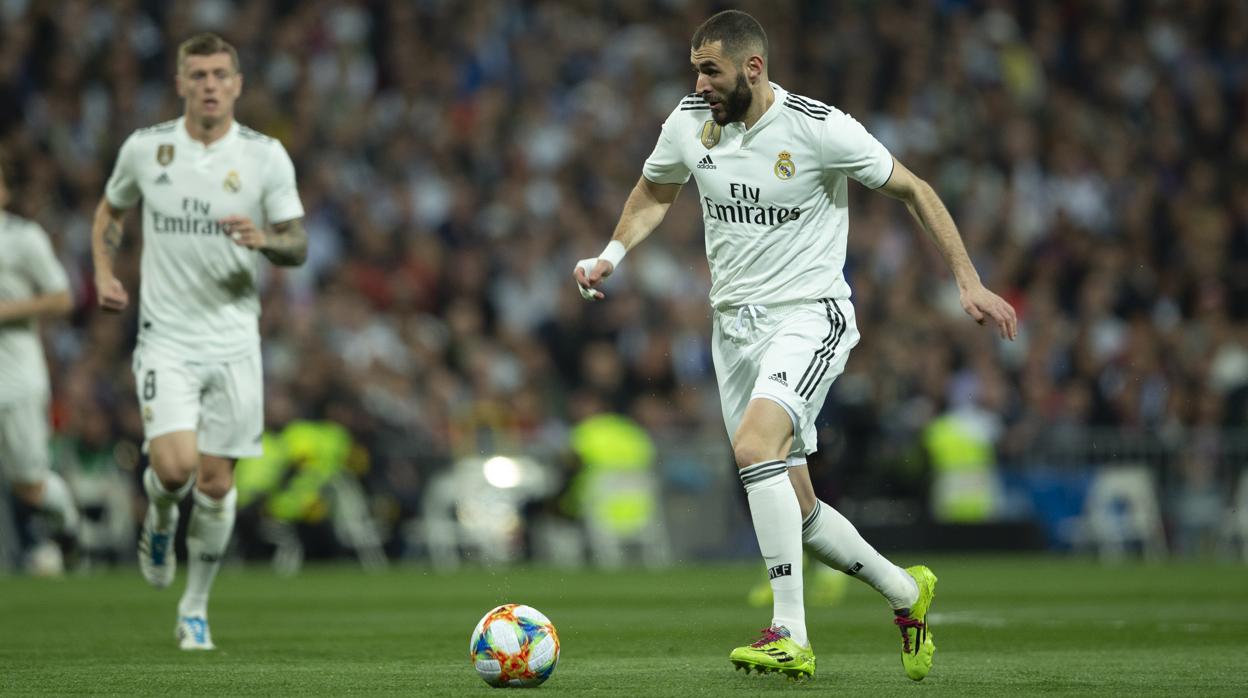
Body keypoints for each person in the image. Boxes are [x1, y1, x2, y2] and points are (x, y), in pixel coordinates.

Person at [574, 10, 1017, 682]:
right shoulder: (688, 122)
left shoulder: (818, 128)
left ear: (753, 68)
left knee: (755, 448)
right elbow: (653, 192)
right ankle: (906, 592)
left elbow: (914, 189)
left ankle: (789, 633)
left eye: (710, 71)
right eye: (695, 70)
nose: (699, 84)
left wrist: (968, 278)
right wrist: (611, 254)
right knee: (798, 507)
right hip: (734, 330)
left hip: (809, 317)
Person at [92, 33, 307, 650]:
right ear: (181, 83)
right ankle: (160, 519)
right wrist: (104, 273)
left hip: (235, 341)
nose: (209, 85)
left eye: (219, 74)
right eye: (199, 74)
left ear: (237, 84)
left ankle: (195, 607)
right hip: (167, 337)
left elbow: (298, 244)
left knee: (215, 483)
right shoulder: (147, 148)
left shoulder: (265, 156)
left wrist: (265, 240)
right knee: (175, 467)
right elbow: (110, 211)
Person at [0, 163, 79, 573]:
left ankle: (67, 527)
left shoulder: (23, 238)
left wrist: (7, 311)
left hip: (15, 376)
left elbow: (62, 298)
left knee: (28, 482)